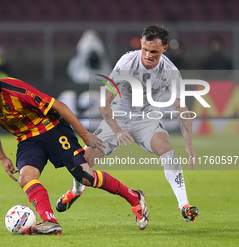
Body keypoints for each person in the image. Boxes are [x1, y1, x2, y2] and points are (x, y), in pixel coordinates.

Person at [0, 64, 150, 235]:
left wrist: (85, 135)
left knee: (85, 177)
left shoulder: (16, 90)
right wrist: (2, 157)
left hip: (52, 128)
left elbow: (59, 106)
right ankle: (49, 221)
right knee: (26, 178)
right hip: (27, 140)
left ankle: (135, 197)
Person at [56, 25, 199, 224]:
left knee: (168, 151)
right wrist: (117, 130)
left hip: (147, 118)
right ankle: (76, 190)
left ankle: (184, 205)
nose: (148, 55)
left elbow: (181, 108)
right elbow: (104, 103)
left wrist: (189, 144)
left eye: (154, 52)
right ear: (141, 44)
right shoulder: (126, 63)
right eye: (145, 50)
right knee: (83, 163)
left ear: (164, 49)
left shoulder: (170, 72)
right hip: (118, 116)